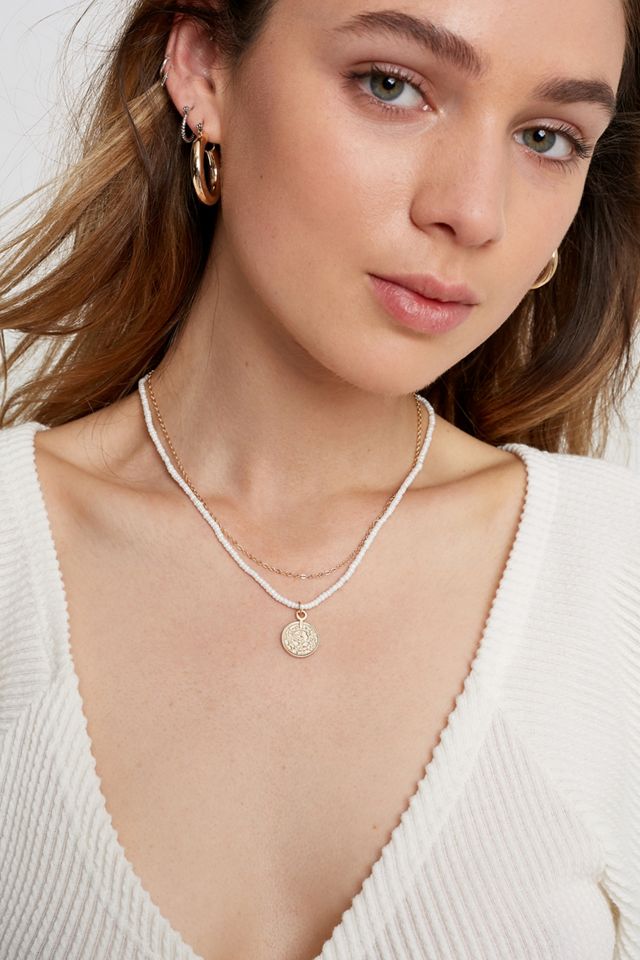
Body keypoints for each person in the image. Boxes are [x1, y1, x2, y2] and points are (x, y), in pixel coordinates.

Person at [0, 0, 639, 957]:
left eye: (547, 138)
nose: (474, 212)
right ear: (204, 67)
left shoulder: (616, 581)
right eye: (392, 85)